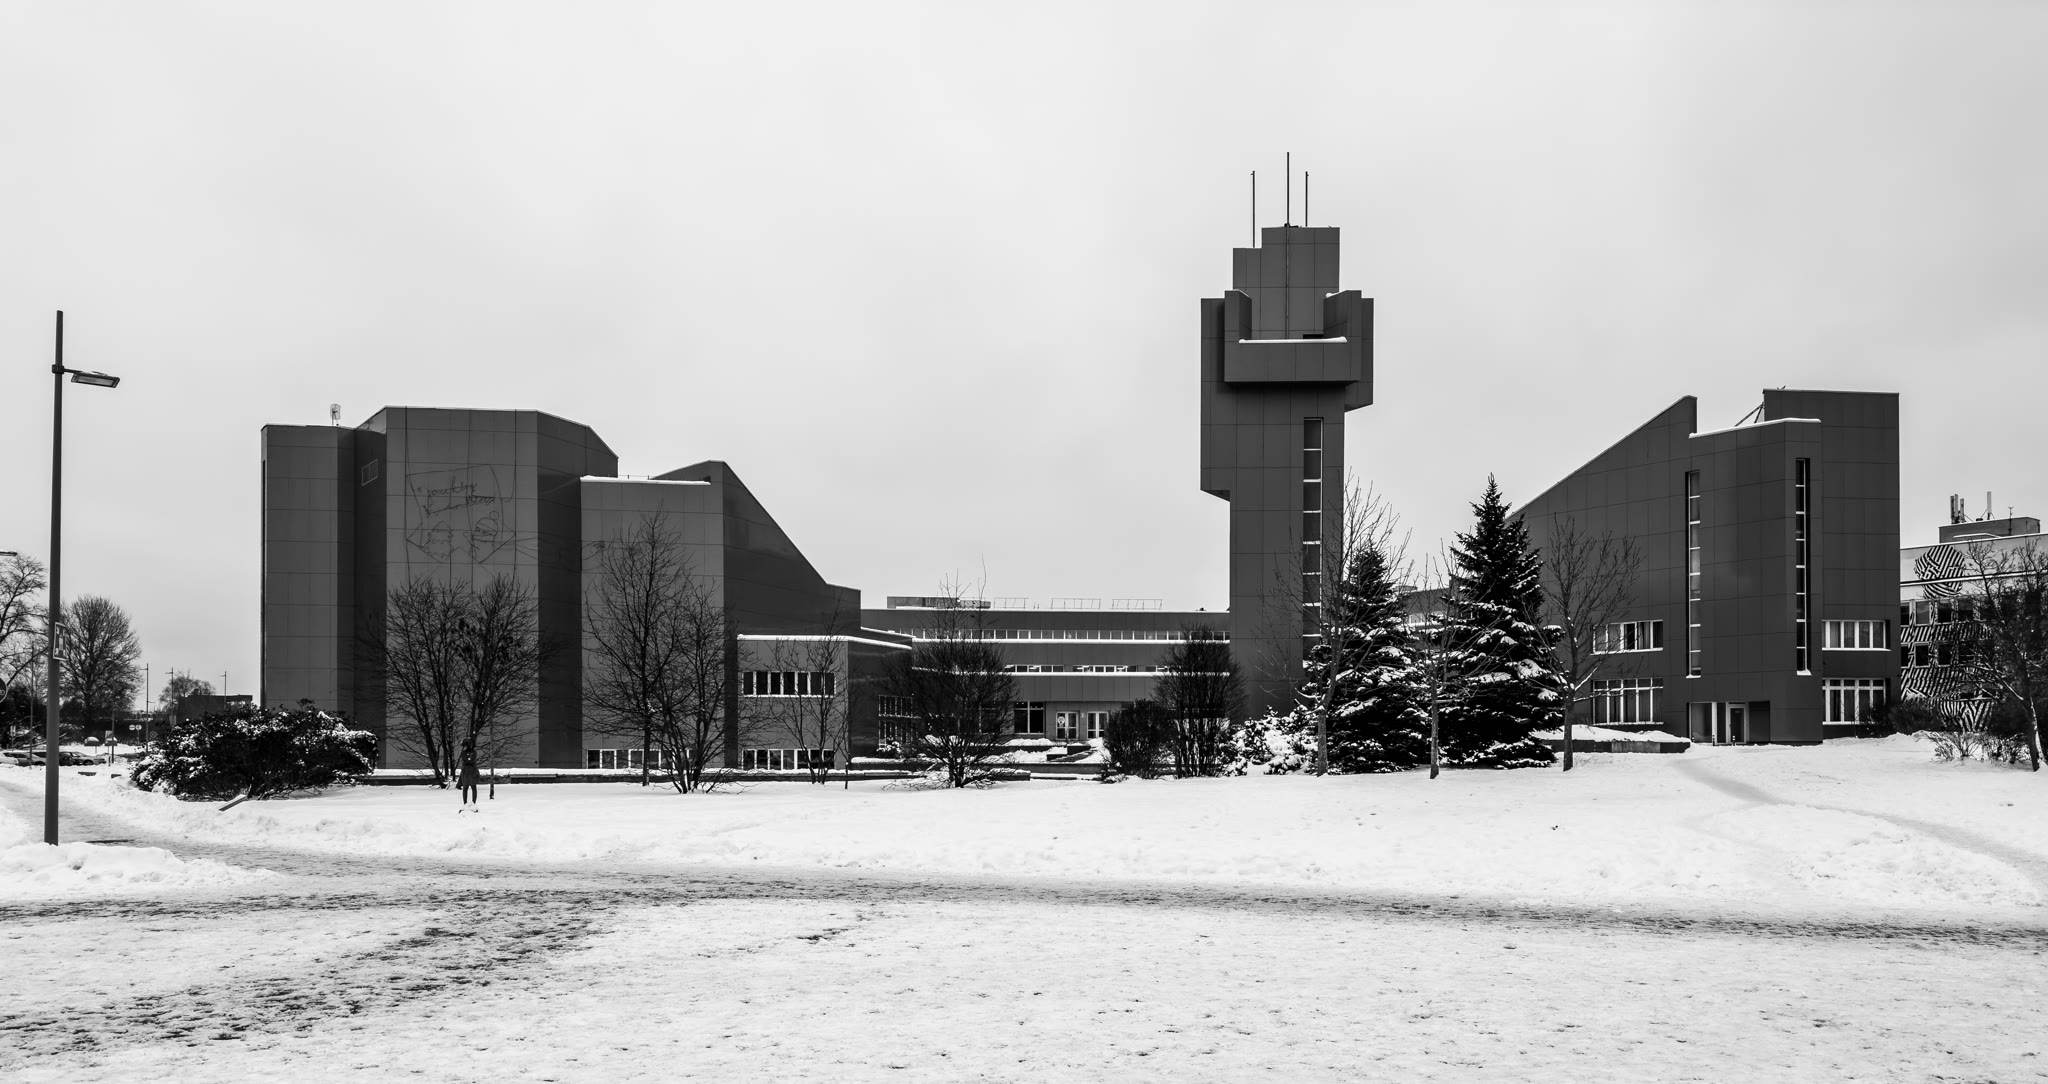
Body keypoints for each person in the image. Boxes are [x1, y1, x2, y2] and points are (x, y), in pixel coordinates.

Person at [457, 744, 481, 811]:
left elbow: (467, 760)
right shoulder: (473, 752)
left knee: (467, 788)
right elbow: (471, 760)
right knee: (471, 788)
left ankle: (467, 804)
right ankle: (472, 803)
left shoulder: (464, 752)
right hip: (470, 771)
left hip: (467, 771)